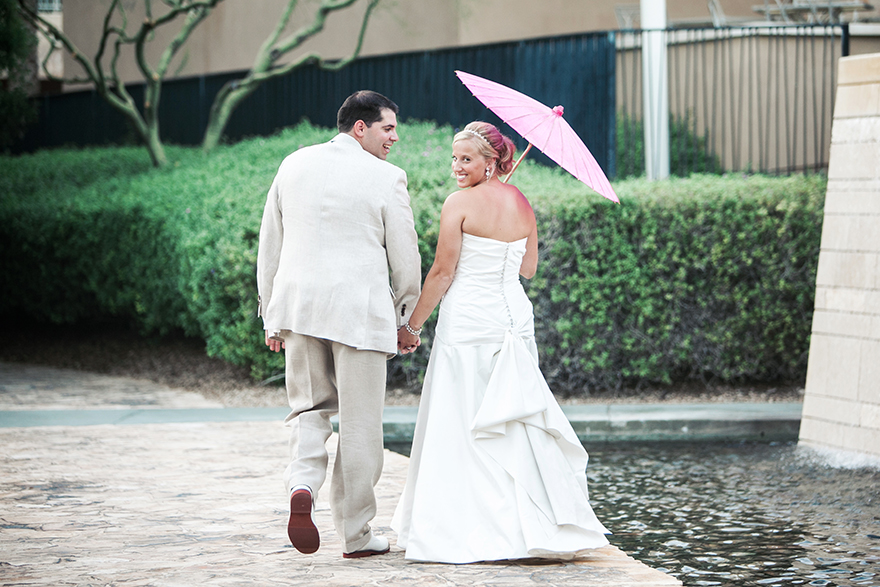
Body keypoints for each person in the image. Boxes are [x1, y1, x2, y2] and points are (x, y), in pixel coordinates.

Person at [391, 121, 610, 563]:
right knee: (513, 418)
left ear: (492, 162)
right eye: (454, 158)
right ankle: (532, 527)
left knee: (465, 416)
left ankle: (472, 528)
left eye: (466, 159)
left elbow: (442, 273)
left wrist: (411, 327)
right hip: (513, 317)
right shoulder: (522, 202)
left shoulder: (459, 204)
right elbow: (527, 269)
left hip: (470, 319)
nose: (456, 166)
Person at [256, 90, 421, 558]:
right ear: (360, 127)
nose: (394, 139)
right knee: (360, 424)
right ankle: (356, 535)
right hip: (359, 313)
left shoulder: (293, 164)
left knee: (309, 410)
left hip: (299, 309)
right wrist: (406, 317)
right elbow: (405, 258)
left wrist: (271, 312)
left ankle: (302, 484)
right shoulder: (388, 178)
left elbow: (272, 243)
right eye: (388, 128)